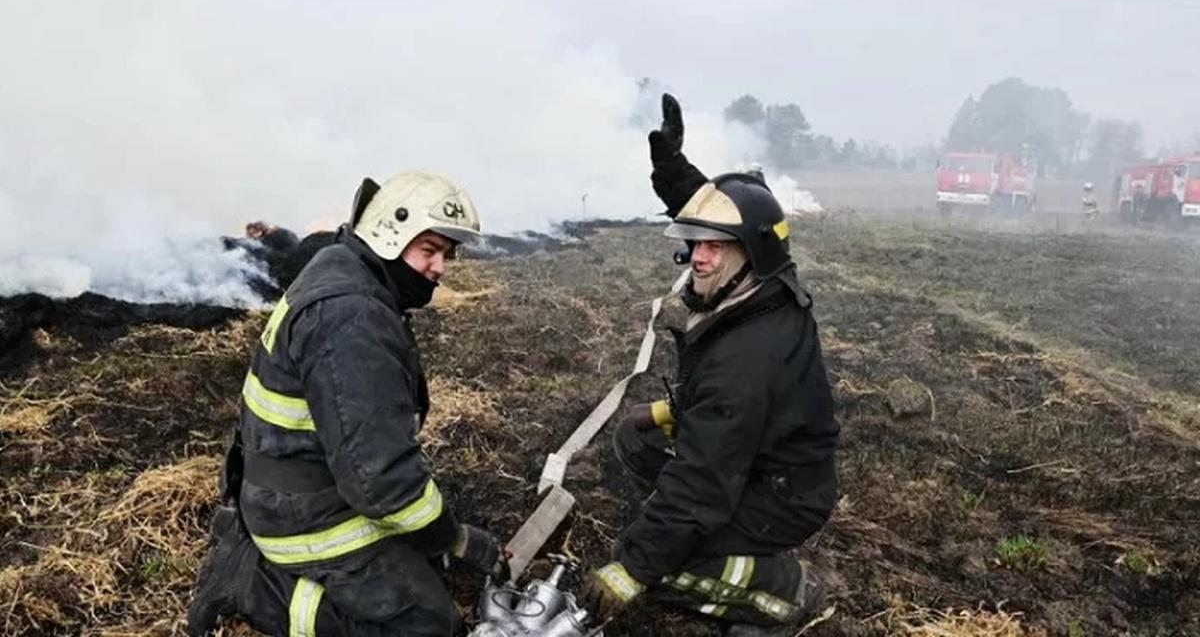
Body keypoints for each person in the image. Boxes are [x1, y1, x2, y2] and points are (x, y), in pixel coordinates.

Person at [188, 171, 509, 637]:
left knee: (419, 567)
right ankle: (255, 586)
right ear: (390, 232)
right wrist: (455, 539)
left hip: (304, 481)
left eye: (446, 254)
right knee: (427, 624)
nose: (440, 268)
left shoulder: (342, 266)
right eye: (430, 249)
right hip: (301, 511)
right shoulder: (352, 318)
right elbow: (380, 480)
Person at [581, 95, 840, 636]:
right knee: (635, 435)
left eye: (715, 248)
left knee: (657, 564)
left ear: (749, 255)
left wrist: (632, 568)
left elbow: (704, 481)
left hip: (780, 494)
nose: (699, 256)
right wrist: (671, 169)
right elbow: (738, 217)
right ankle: (686, 528)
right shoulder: (763, 282)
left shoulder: (745, 361)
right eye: (697, 243)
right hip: (754, 453)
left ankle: (784, 590)